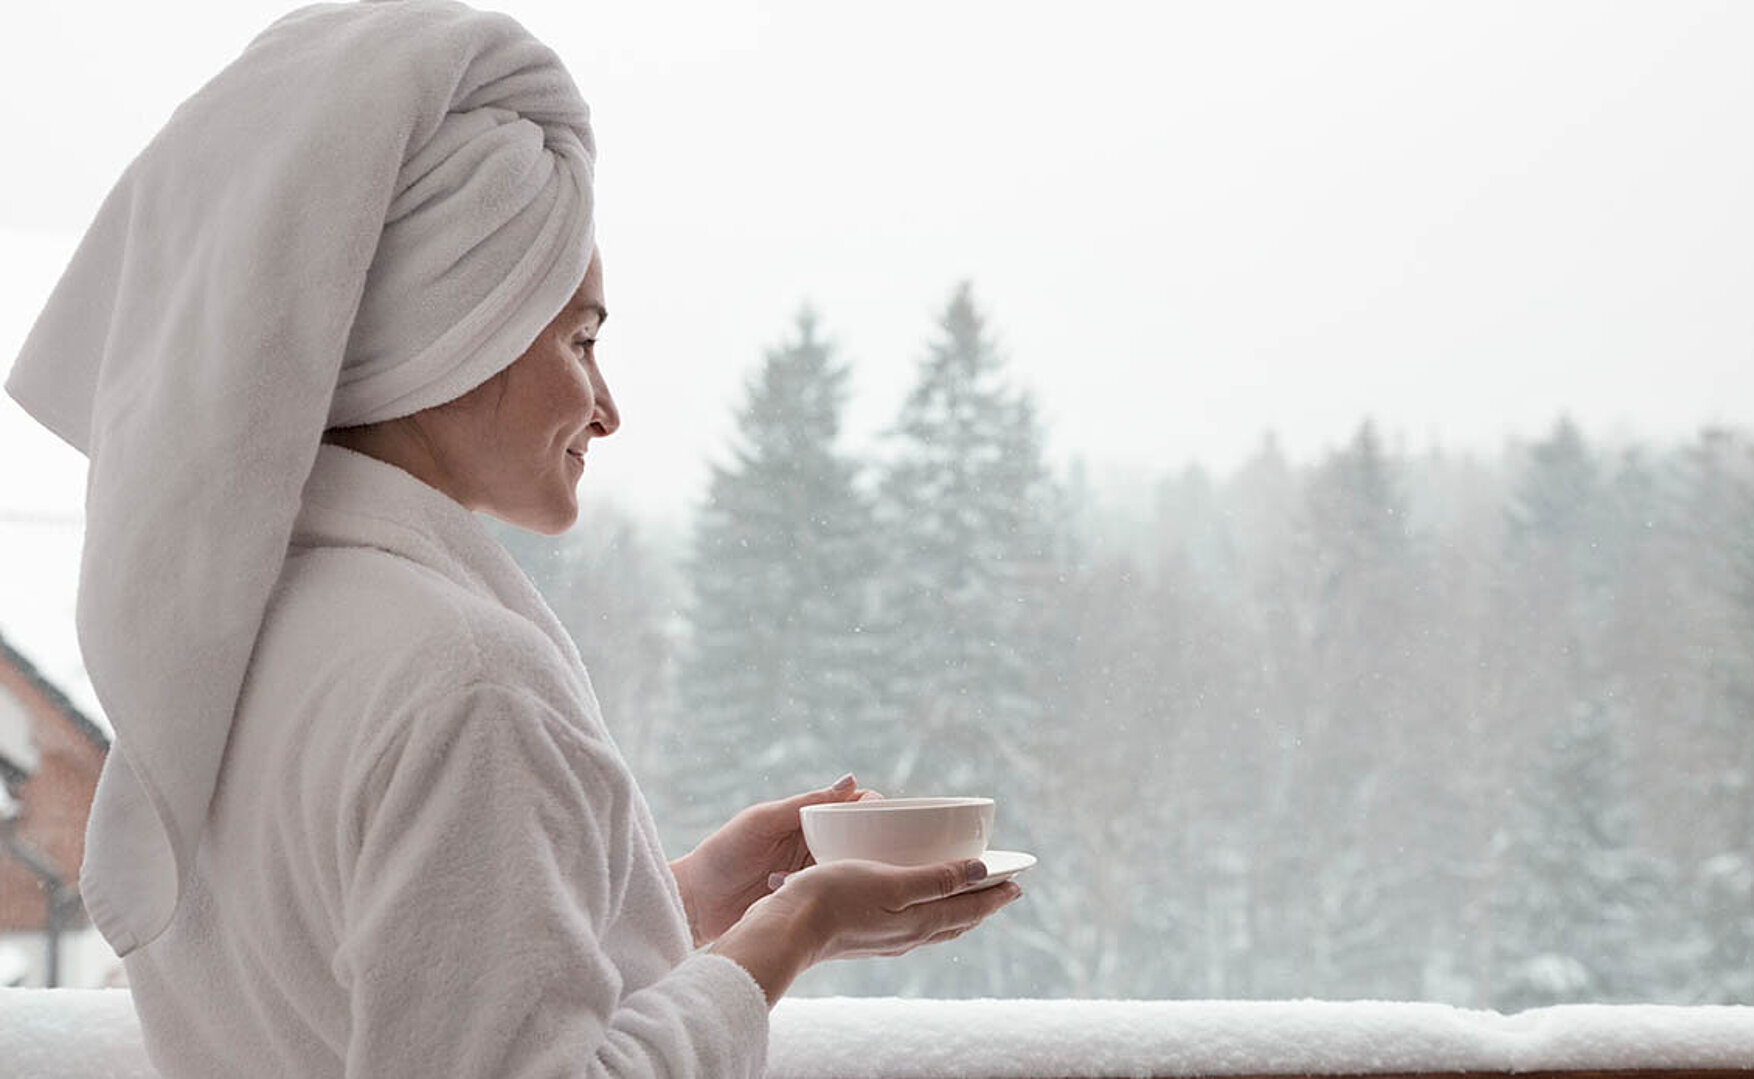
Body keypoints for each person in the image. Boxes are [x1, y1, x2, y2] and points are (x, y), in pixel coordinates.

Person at [5, 2, 1018, 1076]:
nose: (608, 406)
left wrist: (689, 894)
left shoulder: (236, 636)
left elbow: (396, 994)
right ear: (450, 331)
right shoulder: (467, 679)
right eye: (580, 338)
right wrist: (790, 930)